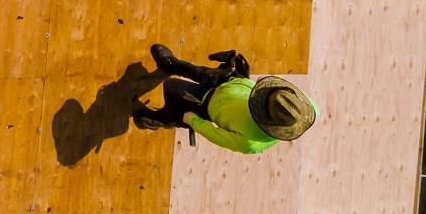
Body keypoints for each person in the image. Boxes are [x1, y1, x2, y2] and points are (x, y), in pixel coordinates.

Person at [133, 43, 320, 154]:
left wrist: (191, 120)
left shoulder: (250, 144)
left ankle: (162, 119)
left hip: (207, 105)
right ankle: (171, 65)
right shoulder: (304, 109)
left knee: (171, 87)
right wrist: (245, 76)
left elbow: (216, 135)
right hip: (234, 84)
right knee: (201, 72)